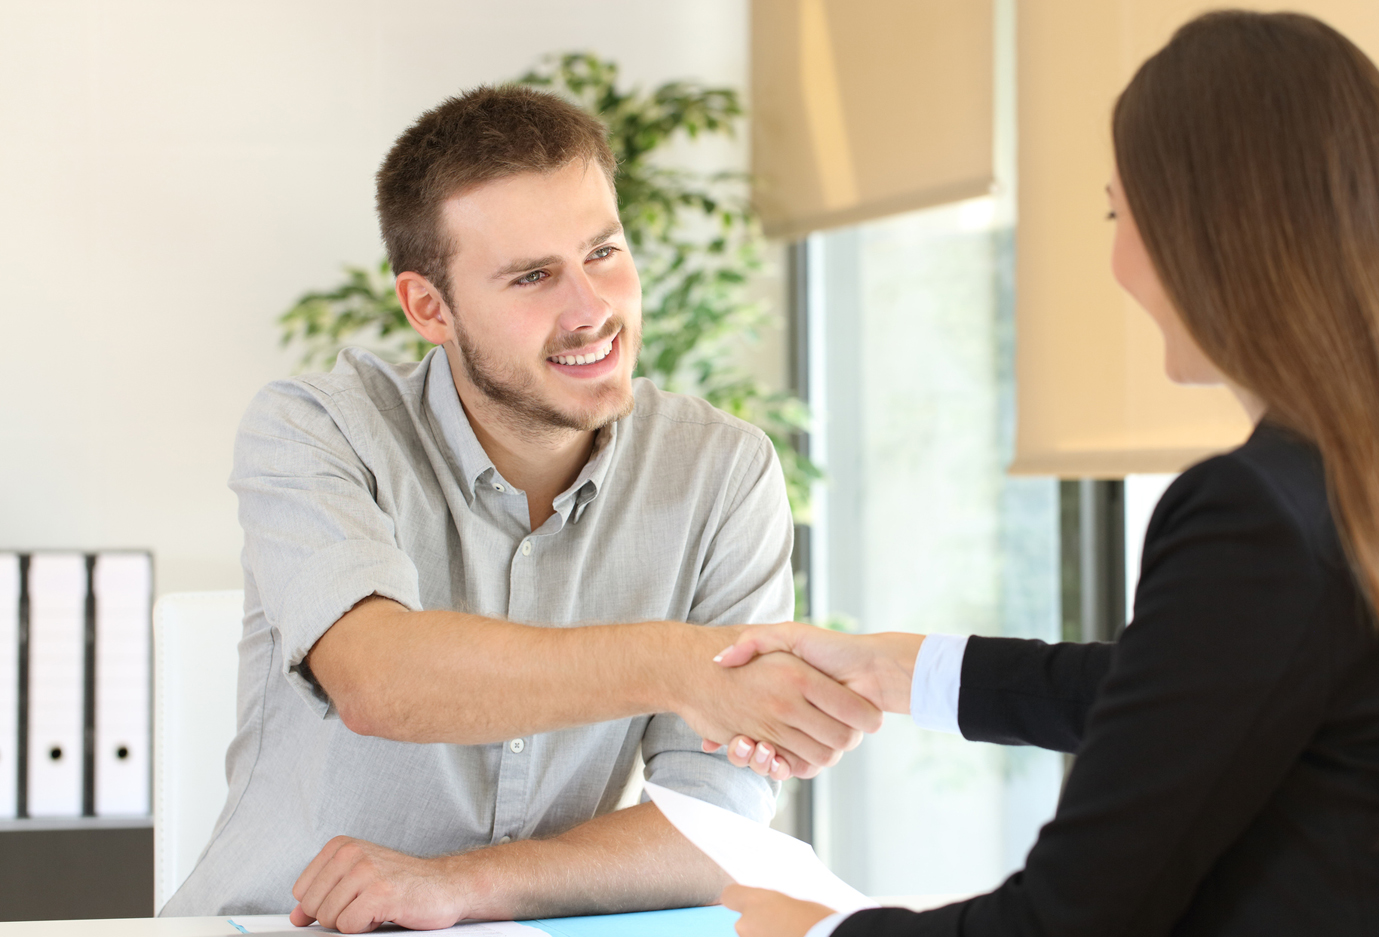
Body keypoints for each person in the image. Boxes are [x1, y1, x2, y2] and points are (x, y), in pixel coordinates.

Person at [714, 11, 1379, 937]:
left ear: (1208, 227)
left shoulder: (1259, 512)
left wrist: (813, 932)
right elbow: (1208, 702)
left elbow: (1070, 919)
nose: (1115, 259)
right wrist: (903, 670)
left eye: (1116, 212)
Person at [160, 85, 880, 930]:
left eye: (603, 252)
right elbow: (379, 678)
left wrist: (465, 884)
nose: (591, 310)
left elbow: (716, 821)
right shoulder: (319, 429)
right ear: (430, 307)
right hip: (281, 926)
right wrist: (680, 664)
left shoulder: (722, 469)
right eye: (533, 275)